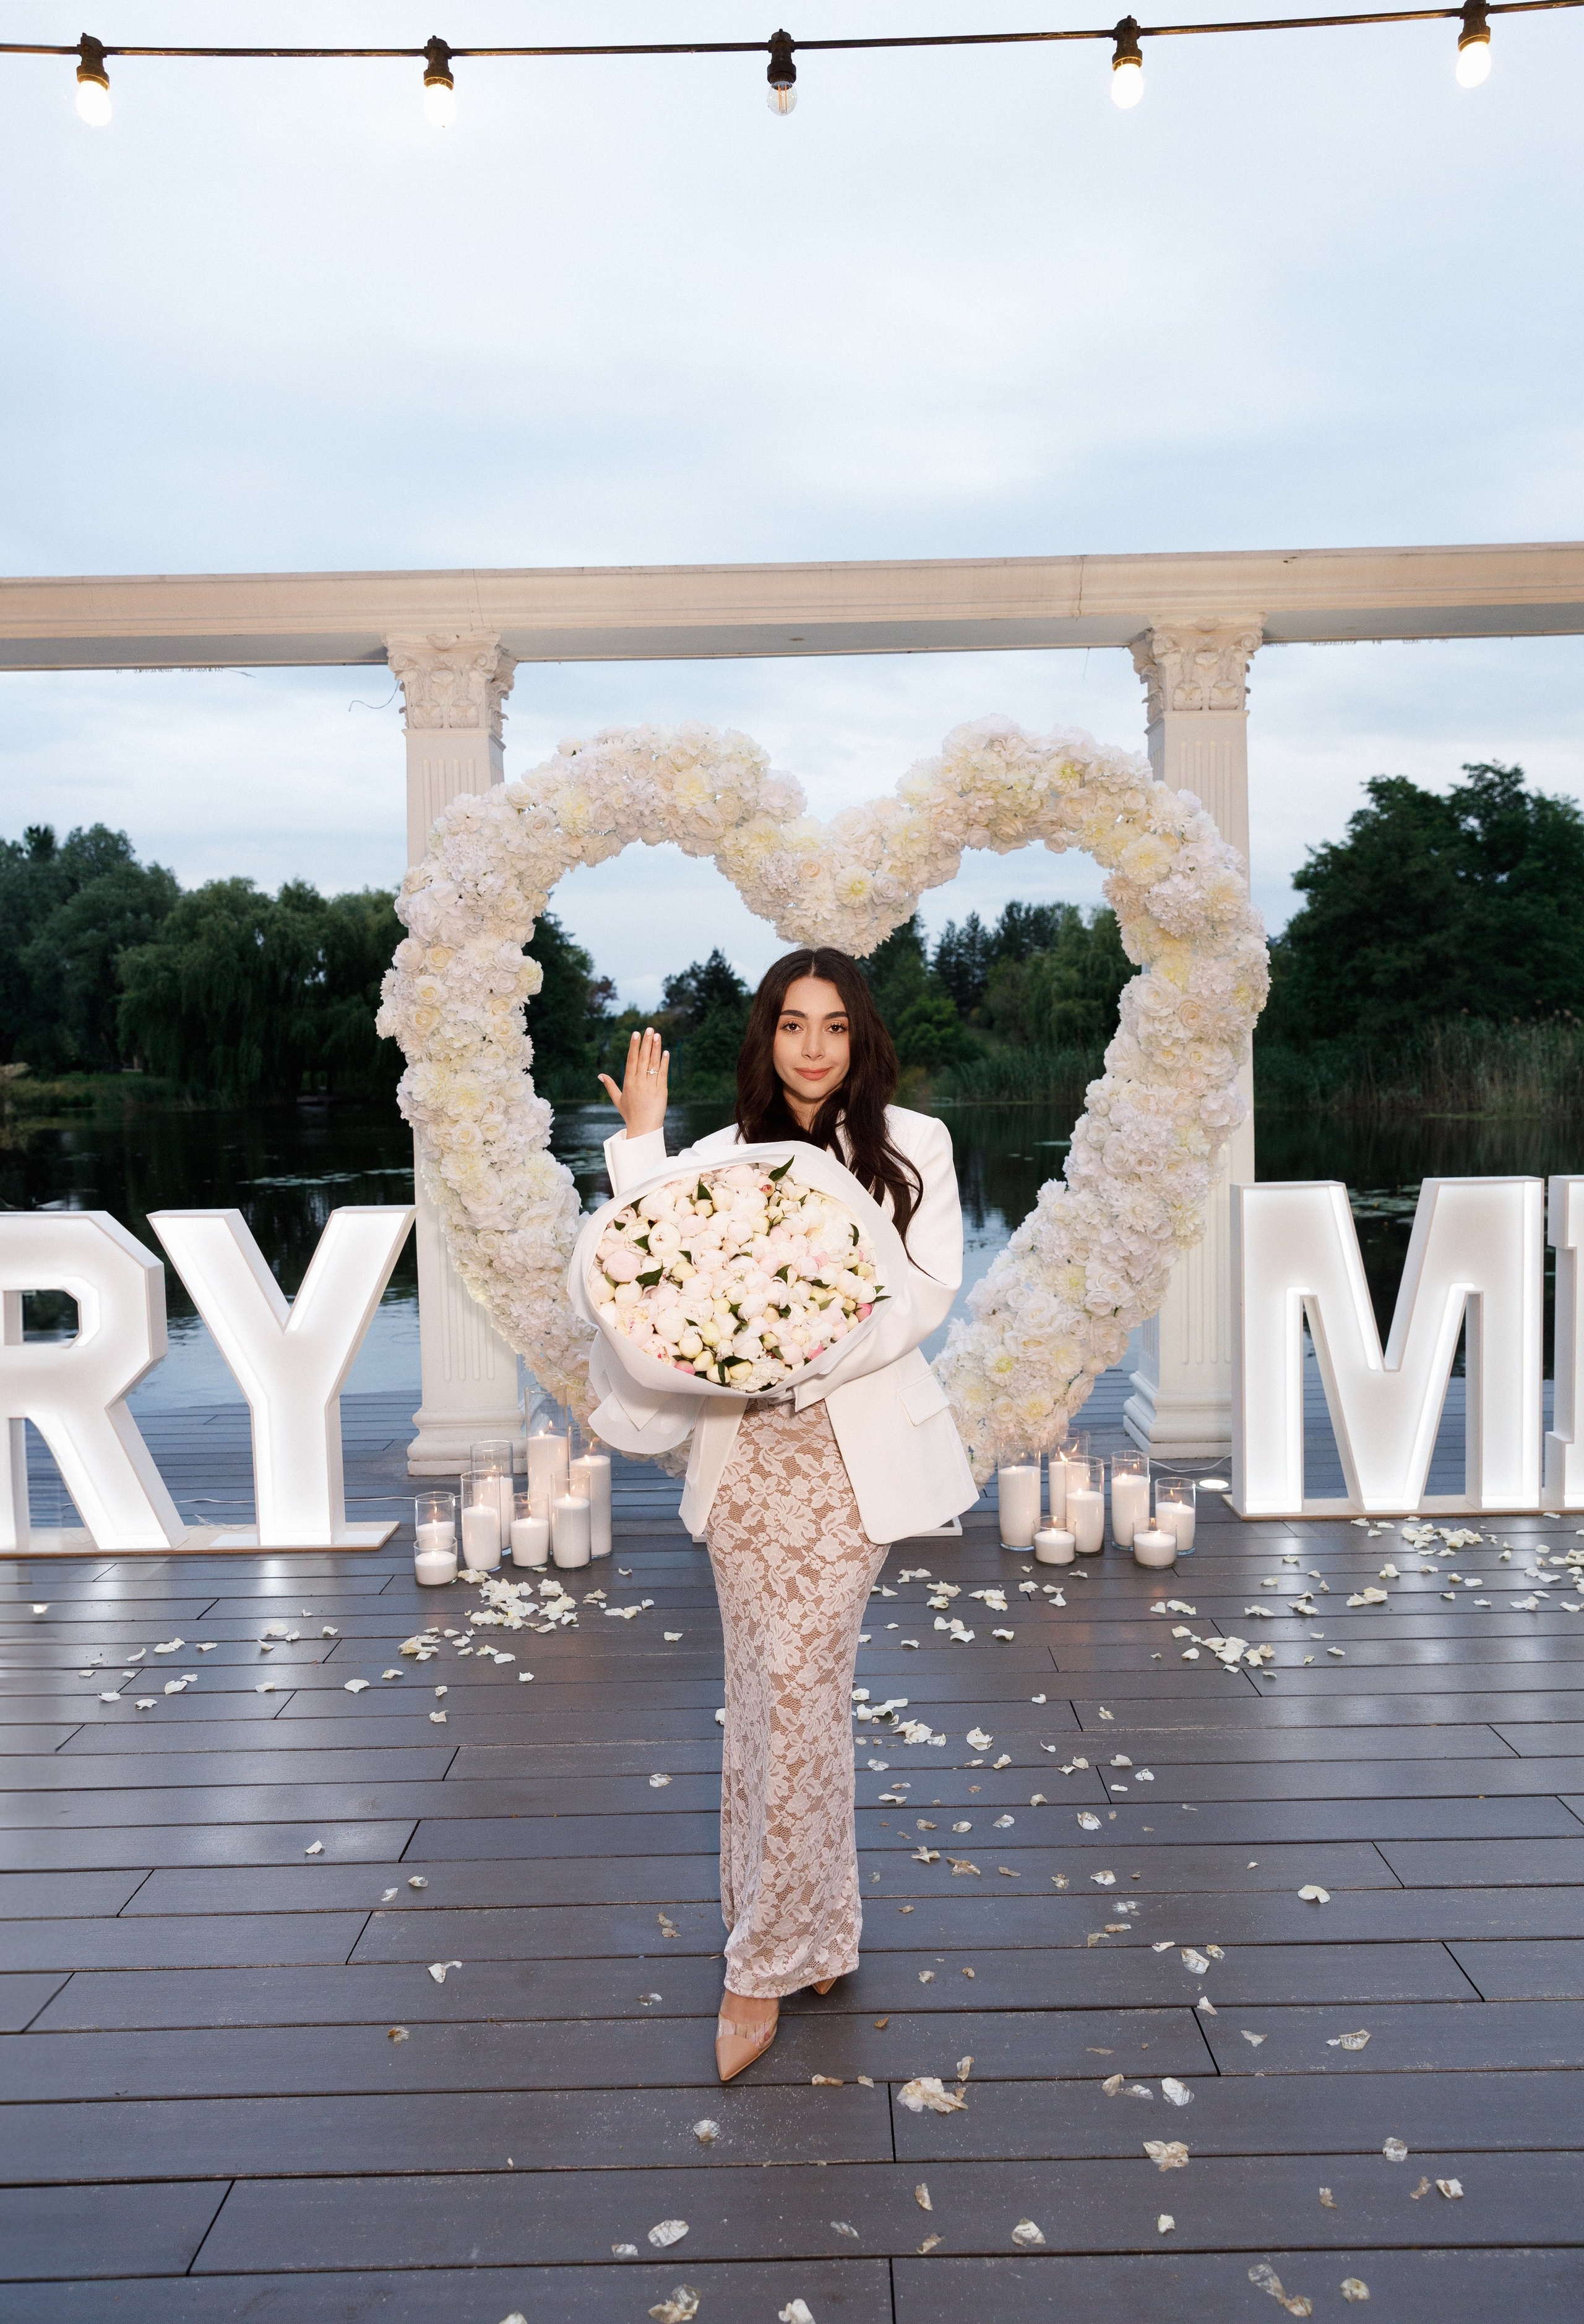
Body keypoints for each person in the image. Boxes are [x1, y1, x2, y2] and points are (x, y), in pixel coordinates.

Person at [598, 946, 976, 2082]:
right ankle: (820, 1931)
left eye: (836, 1027)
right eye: (792, 1025)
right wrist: (642, 1148)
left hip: (847, 1458)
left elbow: (918, 1303)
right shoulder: (720, 1156)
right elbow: (656, 1283)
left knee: (801, 1689)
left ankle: (757, 1962)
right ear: (765, 1036)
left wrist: (798, 1359)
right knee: (766, 1700)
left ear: (863, 1039)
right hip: (746, 1458)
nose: (813, 1048)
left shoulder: (918, 1146)